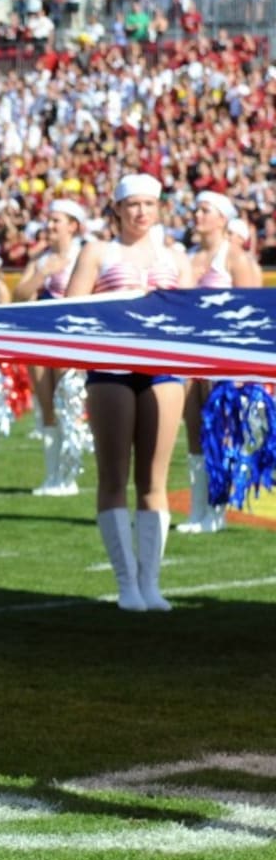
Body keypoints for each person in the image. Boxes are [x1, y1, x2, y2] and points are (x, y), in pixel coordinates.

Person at [66, 173, 192, 612]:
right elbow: (70, 311)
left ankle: (151, 582)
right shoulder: (98, 252)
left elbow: (192, 319)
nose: (141, 212)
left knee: (155, 482)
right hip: (111, 370)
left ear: (160, 209)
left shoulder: (176, 257)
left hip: (164, 372)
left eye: (149, 204)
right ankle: (126, 585)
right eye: (132, 204)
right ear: (117, 208)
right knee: (113, 476)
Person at [176, 190, 262, 535]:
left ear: (222, 219)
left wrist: (243, 369)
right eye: (196, 210)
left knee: (221, 434)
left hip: (224, 356)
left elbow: (252, 314)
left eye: (204, 210)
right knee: (194, 433)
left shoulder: (235, 259)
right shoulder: (188, 256)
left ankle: (217, 510)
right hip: (189, 353)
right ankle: (198, 510)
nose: (196, 216)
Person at [13, 198, 86, 496]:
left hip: (72, 338)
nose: (51, 226)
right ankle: (51, 474)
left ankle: (68, 476)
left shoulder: (84, 255)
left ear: (73, 226)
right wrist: (43, 274)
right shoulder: (40, 259)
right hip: (41, 335)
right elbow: (18, 294)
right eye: (50, 220)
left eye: (57, 221)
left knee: (68, 405)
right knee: (46, 407)